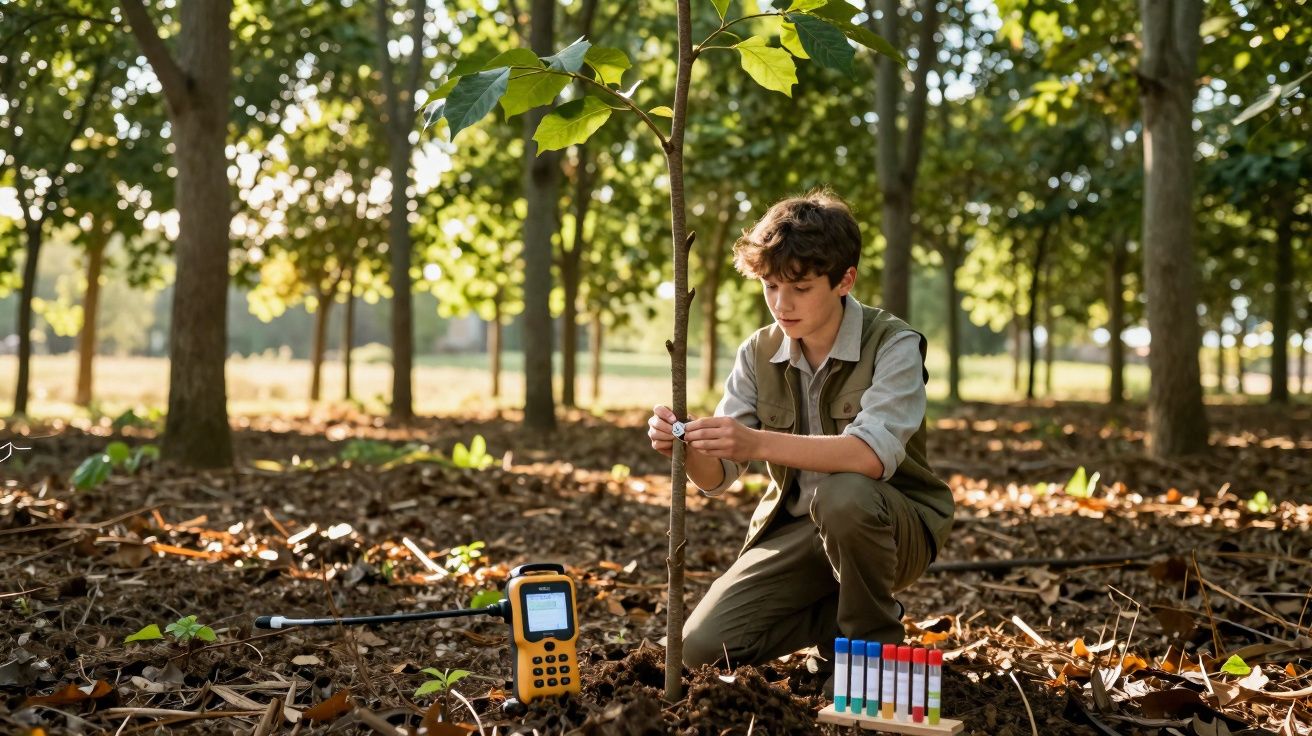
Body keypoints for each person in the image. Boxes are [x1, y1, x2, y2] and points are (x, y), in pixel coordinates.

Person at [647, 189, 954, 685]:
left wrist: (753, 442)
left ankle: (872, 654)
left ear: (844, 280)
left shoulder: (894, 344)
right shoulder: (757, 352)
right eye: (769, 286)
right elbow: (719, 476)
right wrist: (684, 448)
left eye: (801, 288)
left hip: (891, 527)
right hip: (793, 533)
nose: (781, 305)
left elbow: (869, 457)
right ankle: (836, 618)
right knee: (696, 651)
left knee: (844, 491)